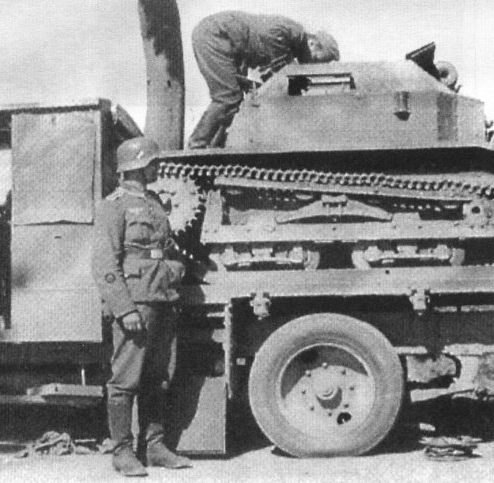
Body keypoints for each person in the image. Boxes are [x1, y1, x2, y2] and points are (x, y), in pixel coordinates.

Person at [91, 137, 192, 477]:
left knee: (157, 378)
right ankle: (122, 451)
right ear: (138, 166)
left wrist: (175, 267)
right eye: (153, 163)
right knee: (125, 380)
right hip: (136, 303)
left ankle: (155, 446)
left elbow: (158, 250)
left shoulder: (154, 202)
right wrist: (125, 309)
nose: (157, 167)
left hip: (162, 298)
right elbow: (105, 263)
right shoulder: (114, 206)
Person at [188, 10, 340, 149]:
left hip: (226, 41)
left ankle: (213, 147)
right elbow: (275, 73)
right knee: (228, 97)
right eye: (315, 59)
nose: (310, 64)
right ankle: (197, 145)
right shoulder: (292, 32)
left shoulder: (290, 44)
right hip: (216, 35)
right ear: (313, 44)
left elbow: (272, 73)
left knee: (236, 101)